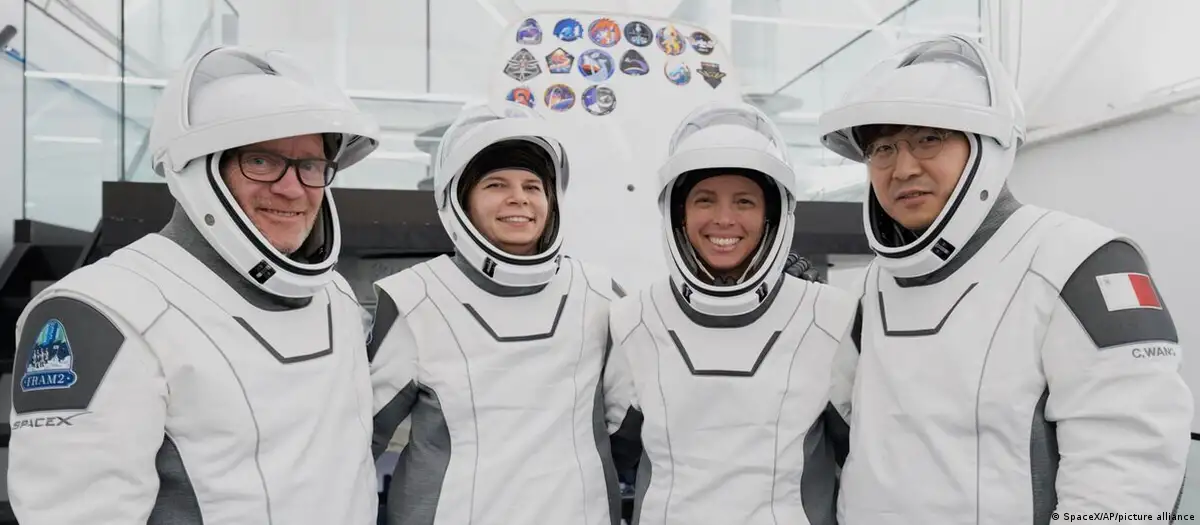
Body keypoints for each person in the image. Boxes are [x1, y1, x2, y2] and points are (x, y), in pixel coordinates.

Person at [818, 34, 1192, 524]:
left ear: (986, 147)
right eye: (883, 147)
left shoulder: (1081, 262)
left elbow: (1130, 472)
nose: (903, 168)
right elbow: (841, 426)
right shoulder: (871, 287)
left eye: (929, 139)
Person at [7, 46, 382, 524]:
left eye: (310, 165)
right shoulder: (101, 311)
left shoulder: (336, 297)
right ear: (198, 169)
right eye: (261, 161)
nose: (293, 188)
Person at [369, 102, 625, 525]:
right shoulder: (416, 299)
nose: (518, 198)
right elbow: (362, 441)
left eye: (533, 186)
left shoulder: (597, 294)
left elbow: (631, 429)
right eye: (495, 184)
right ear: (460, 200)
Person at [602, 101, 857, 525]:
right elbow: (612, 457)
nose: (724, 219)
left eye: (744, 202)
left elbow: (862, 459)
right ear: (679, 214)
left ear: (772, 215)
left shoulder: (829, 317)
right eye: (705, 200)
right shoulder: (634, 319)